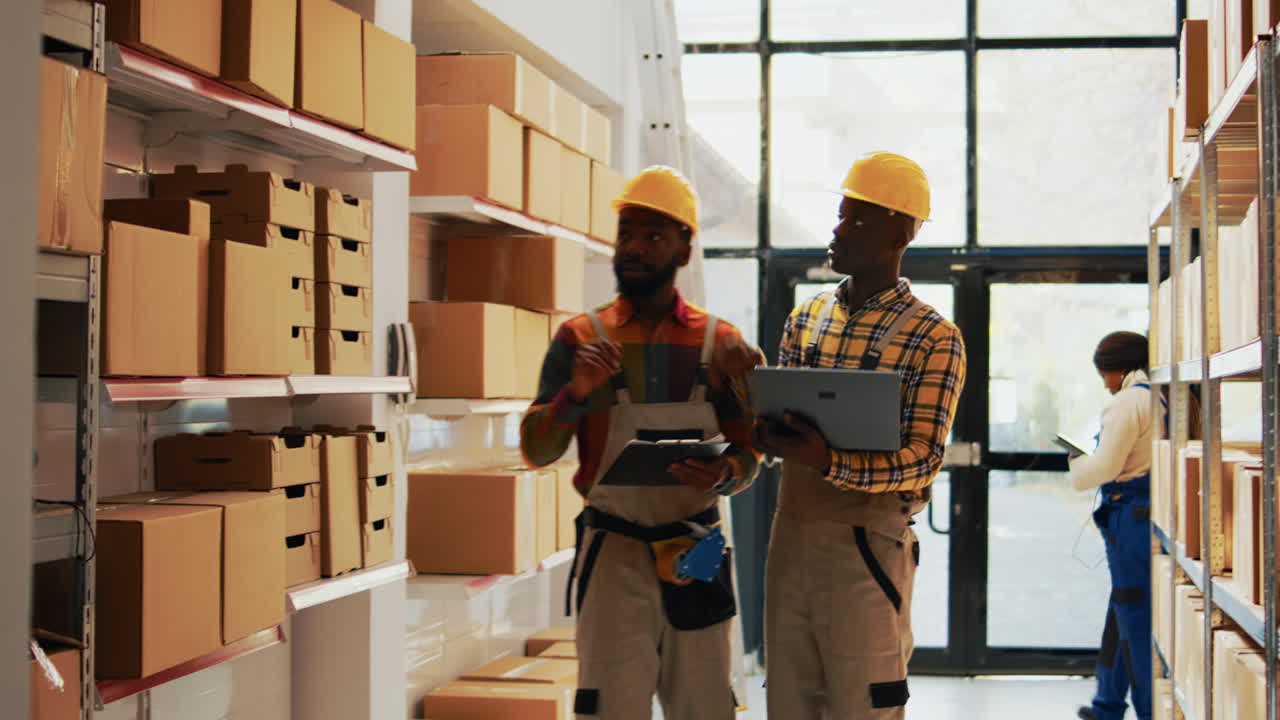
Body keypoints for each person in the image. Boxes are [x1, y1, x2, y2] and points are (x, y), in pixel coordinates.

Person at [520, 165, 763, 720]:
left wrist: (725, 474)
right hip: (614, 554)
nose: (633, 247)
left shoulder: (720, 343)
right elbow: (537, 450)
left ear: (684, 250)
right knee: (609, 708)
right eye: (626, 232)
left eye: (653, 236)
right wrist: (573, 396)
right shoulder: (580, 339)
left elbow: (751, 455)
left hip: (696, 549)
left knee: (704, 706)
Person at [755, 152, 967, 719]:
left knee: (864, 703)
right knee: (789, 699)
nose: (837, 229)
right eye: (841, 215)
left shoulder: (934, 337)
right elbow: (782, 423)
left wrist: (830, 462)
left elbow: (922, 459)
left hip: (868, 546)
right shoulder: (807, 318)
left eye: (857, 220)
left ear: (900, 234)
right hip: (792, 535)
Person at [1069, 331, 1165, 720]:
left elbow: (1104, 468)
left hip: (1130, 517)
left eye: (1104, 374)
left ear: (1116, 369)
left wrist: (1076, 462)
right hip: (1144, 513)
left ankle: (1148, 712)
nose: (1104, 384)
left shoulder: (1128, 401)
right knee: (1122, 609)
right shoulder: (1157, 394)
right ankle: (1106, 705)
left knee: (1135, 618)